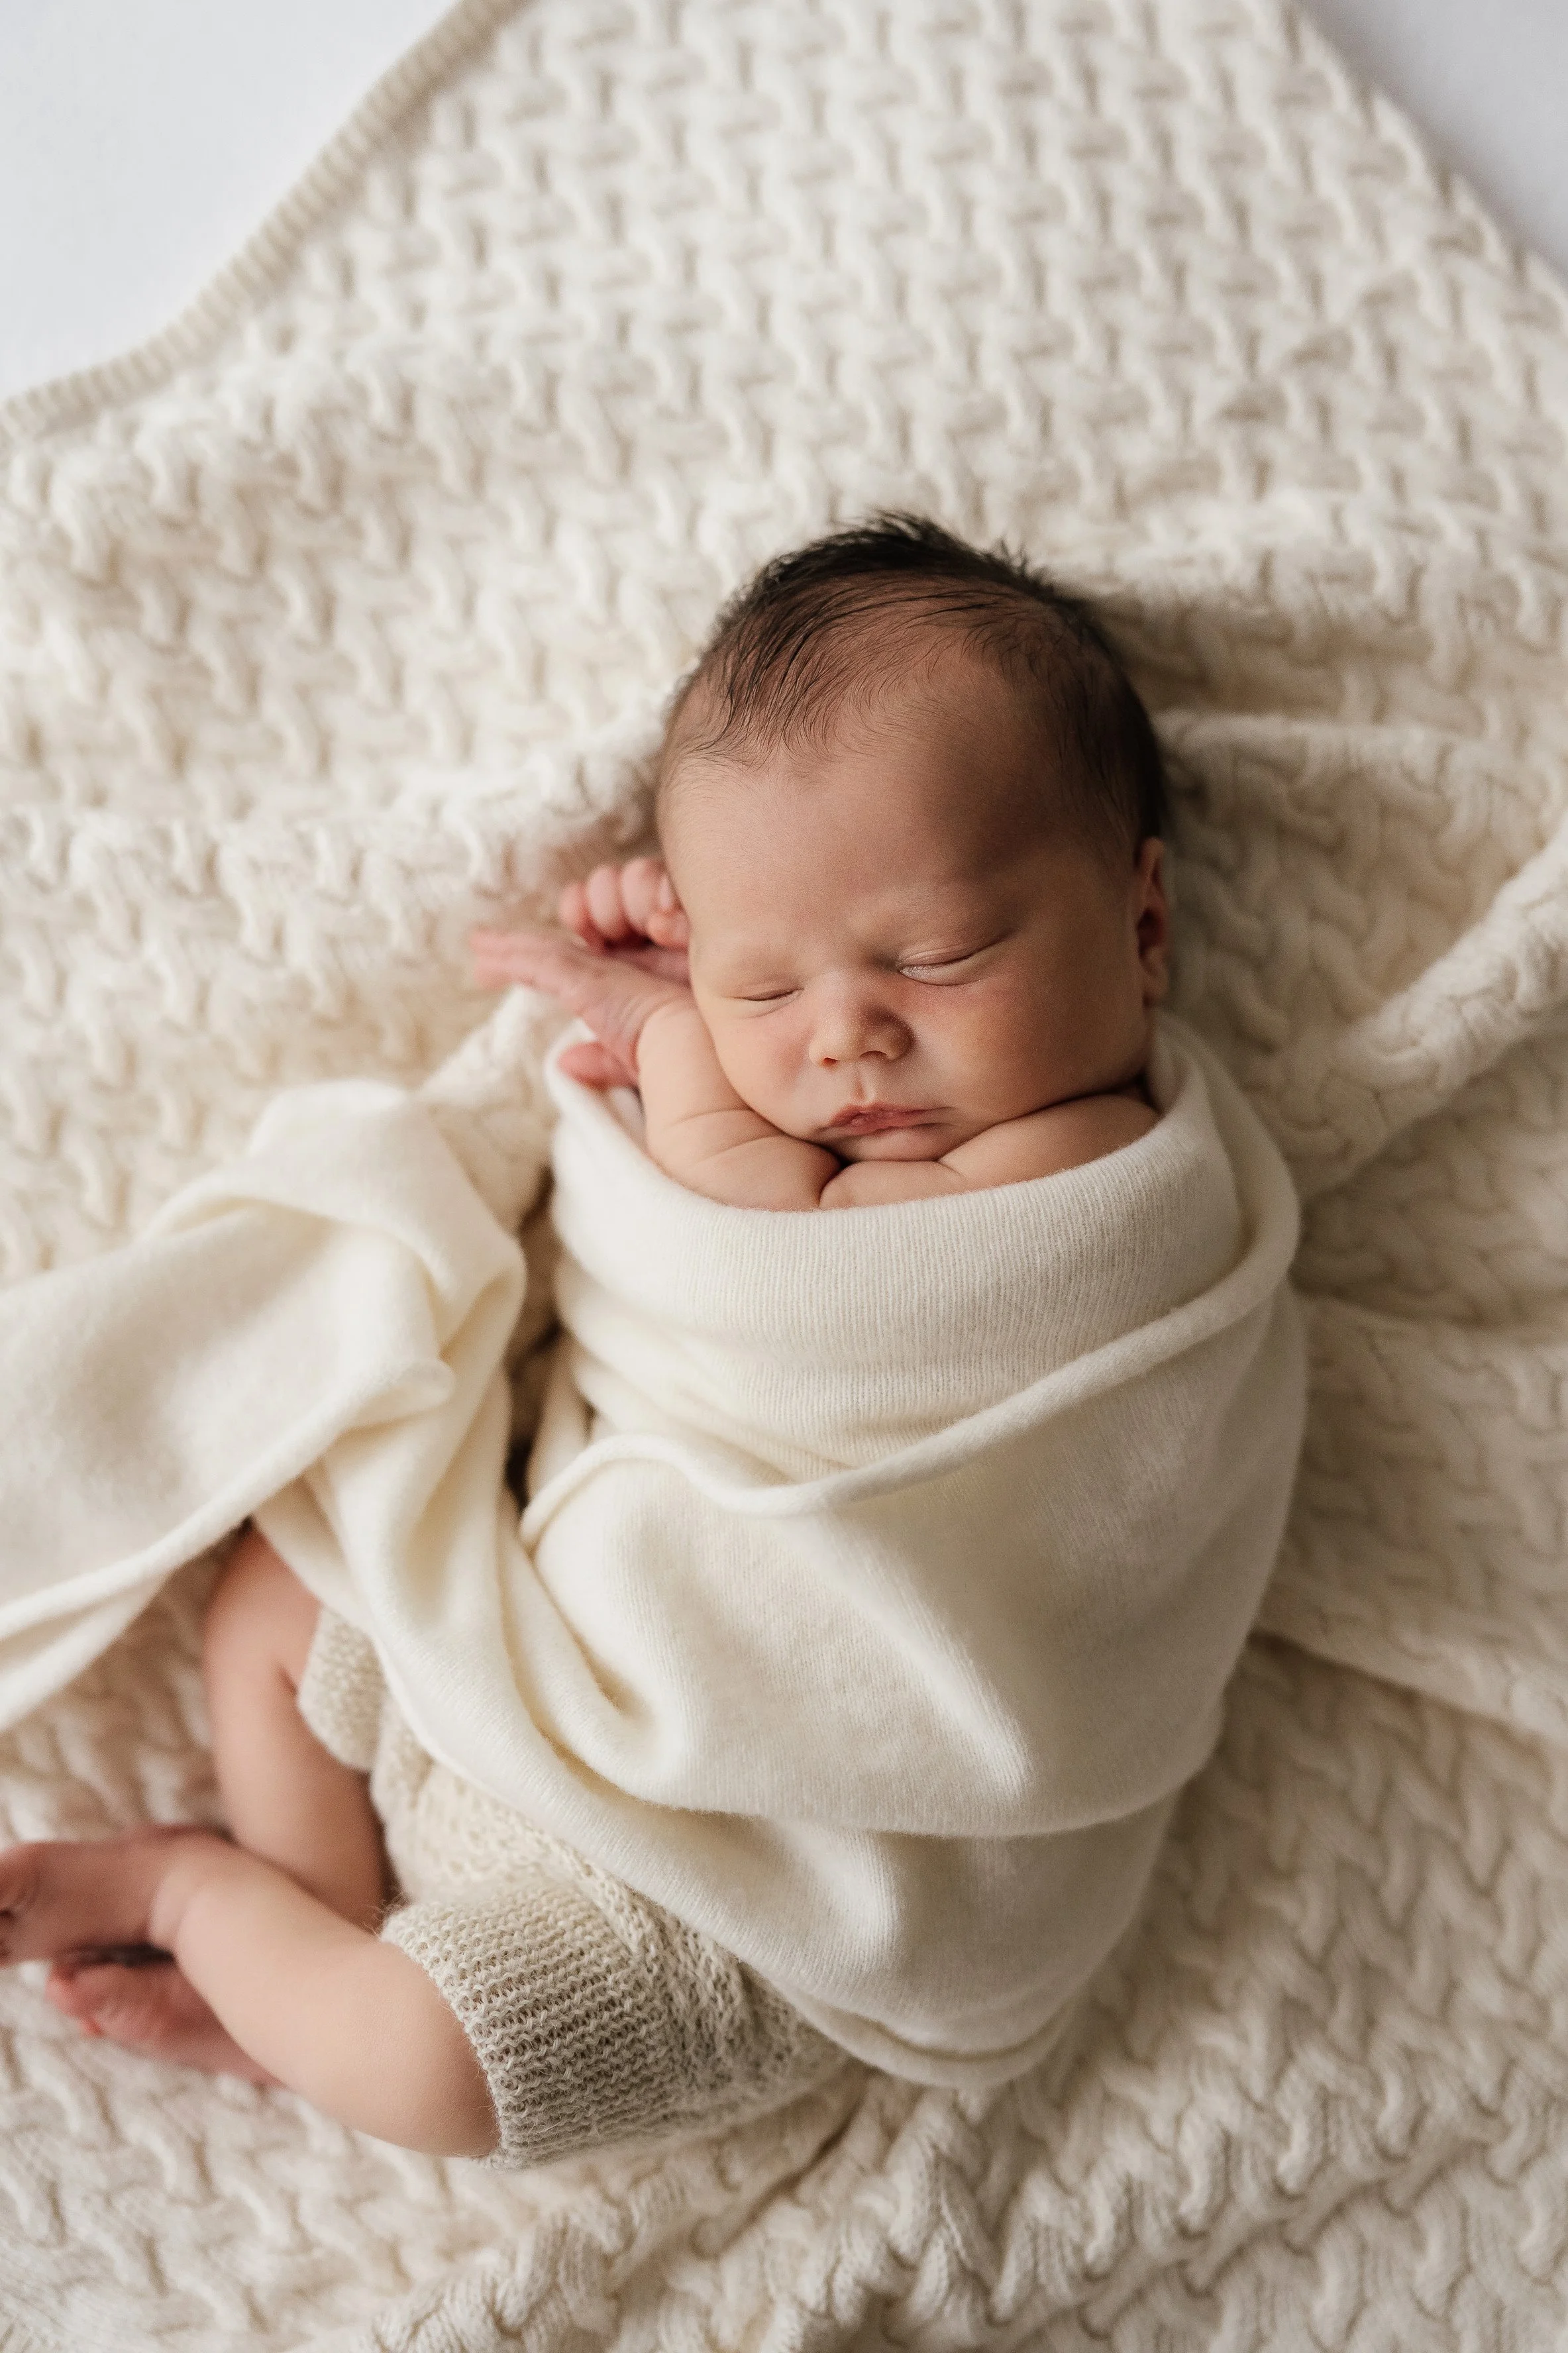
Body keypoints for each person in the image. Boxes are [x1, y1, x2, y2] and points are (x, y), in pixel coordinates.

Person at [0, 517, 1279, 2168]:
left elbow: (799, 1269)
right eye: (764, 984)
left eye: (939, 954)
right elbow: (690, 1278)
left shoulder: (1109, 1182)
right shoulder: (857, 1082)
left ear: (1144, 924)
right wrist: (687, 1006)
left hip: (775, 1876)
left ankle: (204, 1894)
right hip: (576, 1632)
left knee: (437, 2076)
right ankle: (310, 1905)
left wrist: (678, 1036)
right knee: (280, 1586)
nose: (846, 1034)